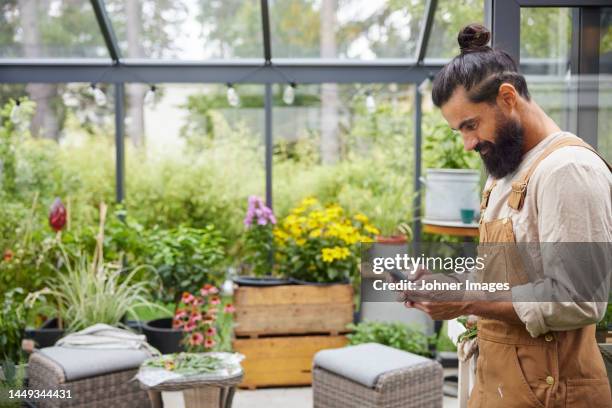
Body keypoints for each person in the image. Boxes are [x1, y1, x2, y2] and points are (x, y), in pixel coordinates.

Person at [404, 23, 612, 407]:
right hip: (502, 388)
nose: (468, 143)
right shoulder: (507, 172)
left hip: (551, 395)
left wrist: (466, 300)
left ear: (507, 97)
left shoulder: (567, 170)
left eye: (471, 125)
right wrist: (450, 284)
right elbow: (509, 277)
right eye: (458, 131)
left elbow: (580, 299)